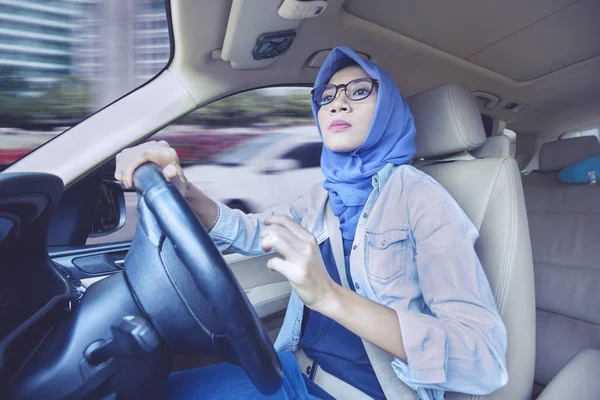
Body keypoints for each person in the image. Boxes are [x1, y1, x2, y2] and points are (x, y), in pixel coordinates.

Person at [115, 46, 508, 400]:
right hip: (291, 372)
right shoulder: (324, 194)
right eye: (327, 96)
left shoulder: (421, 198)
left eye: (357, 91)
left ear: (388, 107)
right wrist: (183, 188)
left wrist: (330, 297)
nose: (337, 105)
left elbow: (481, 359)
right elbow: (254, 232)